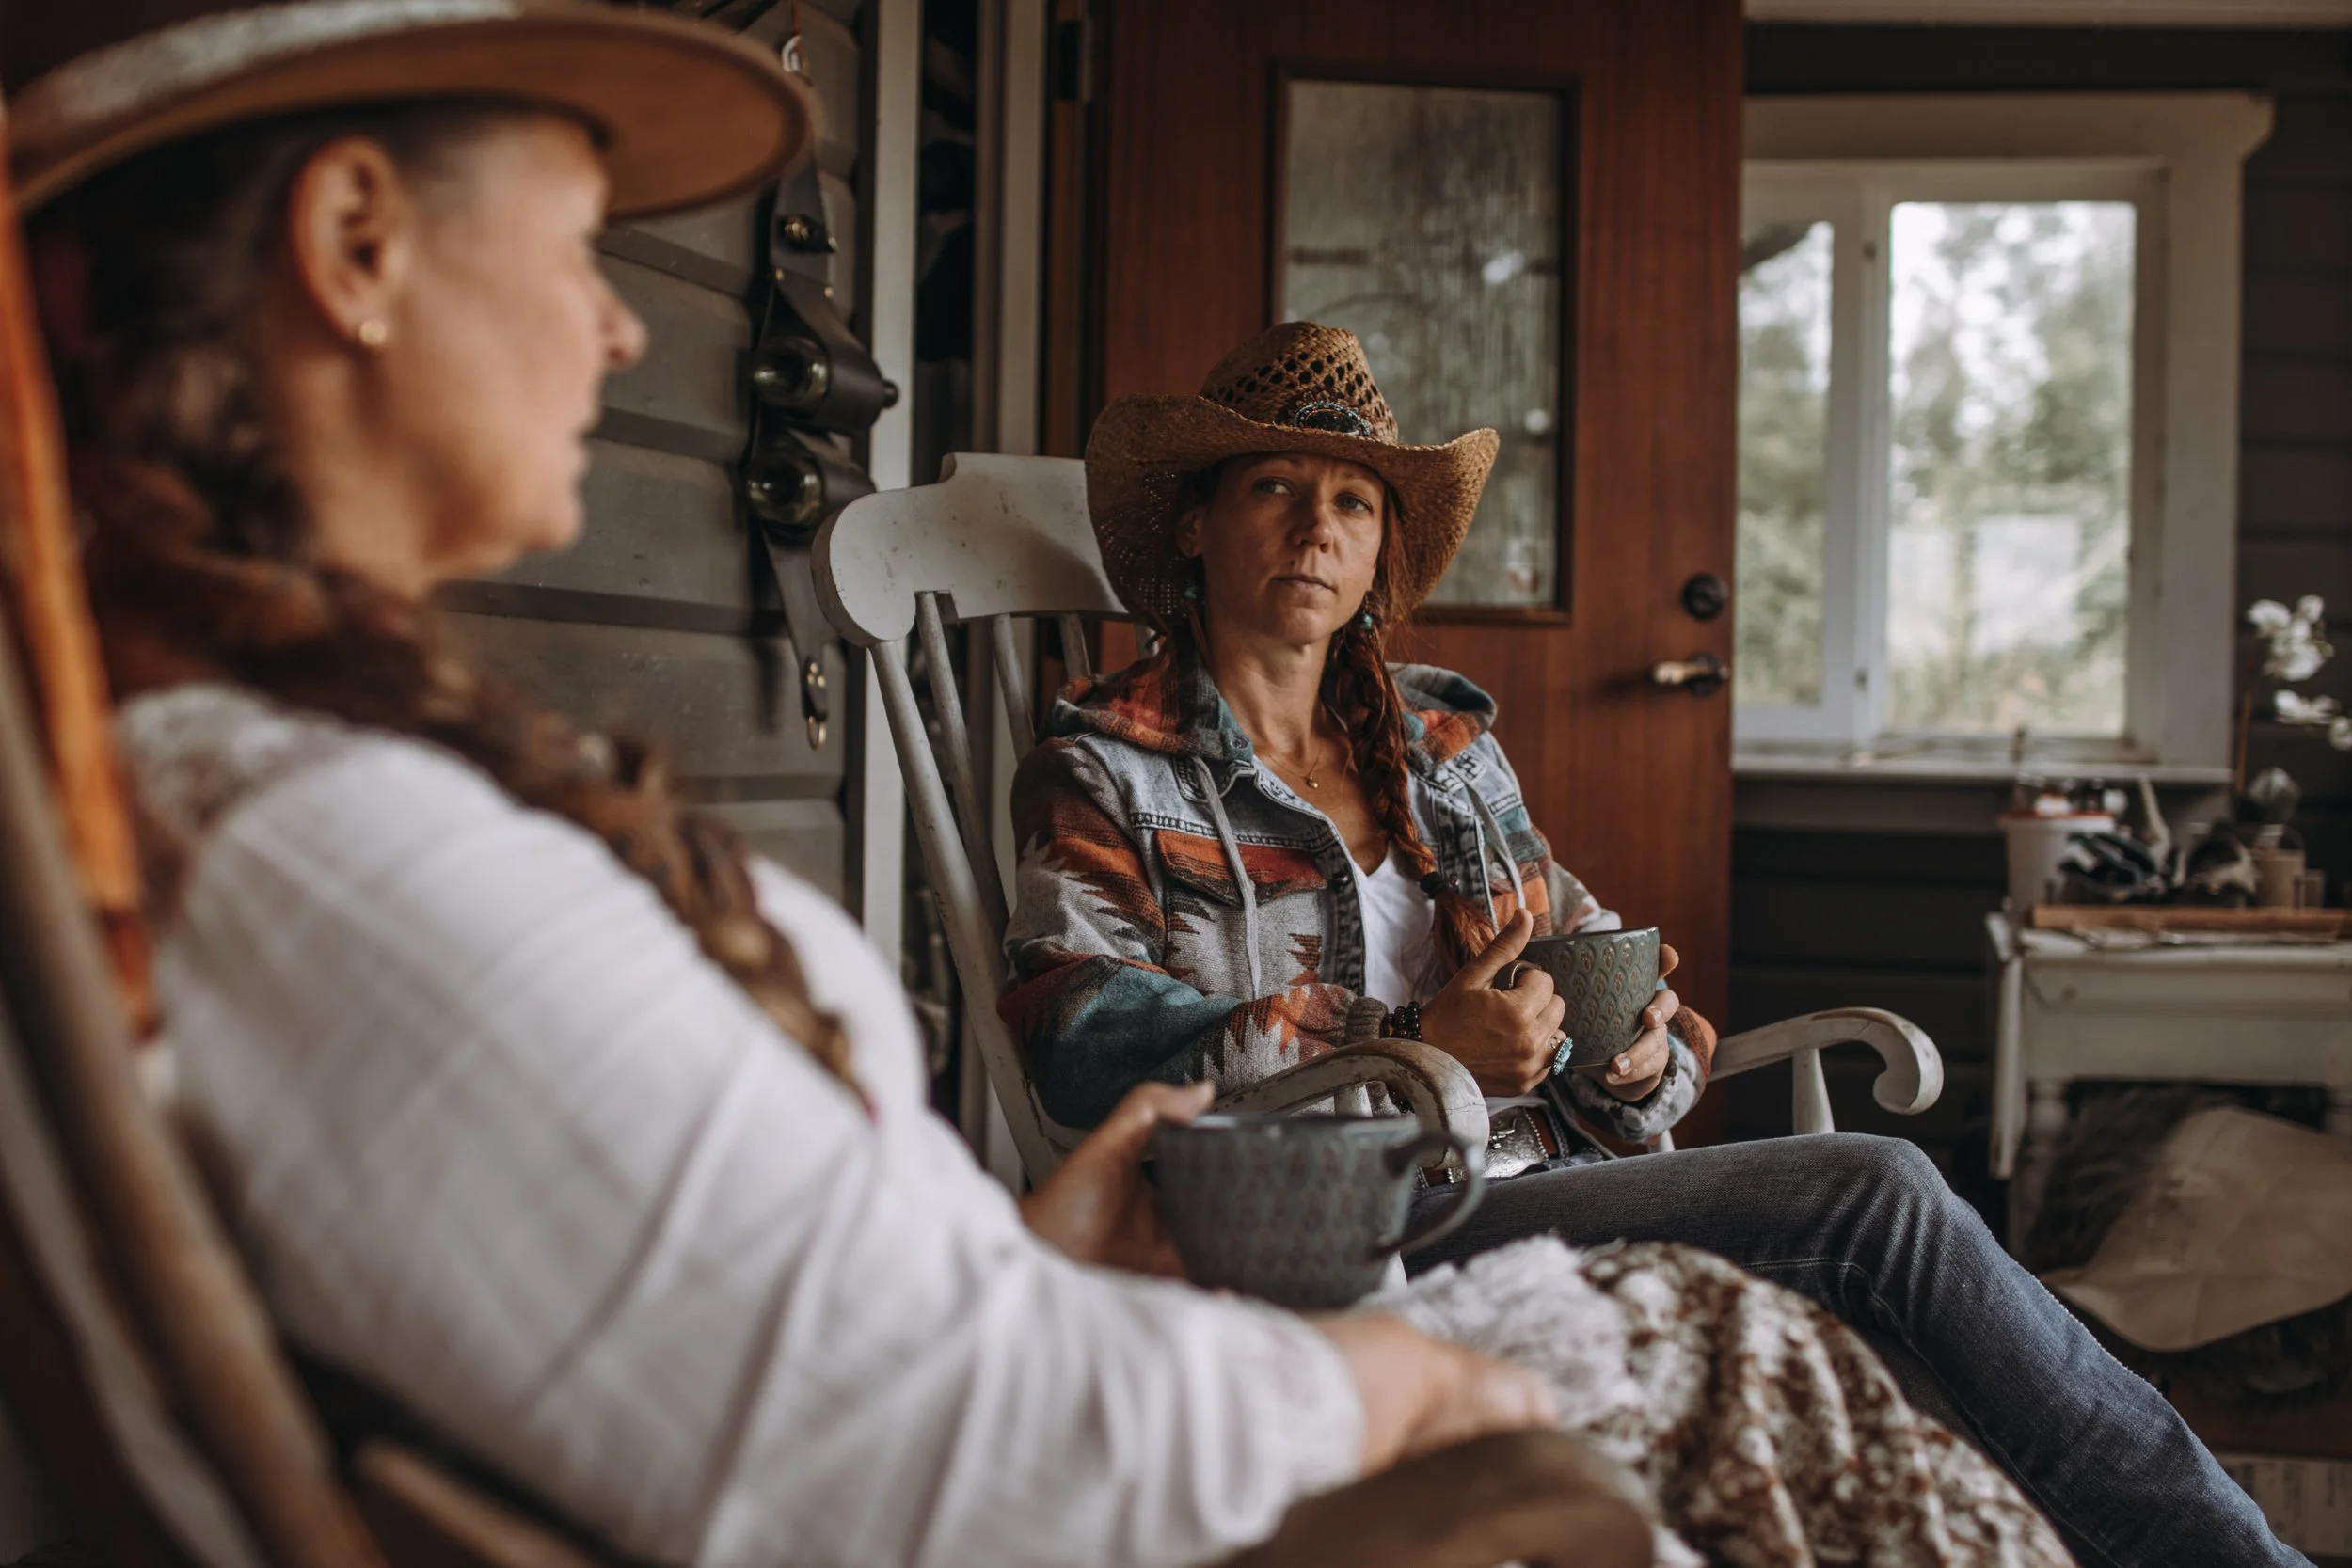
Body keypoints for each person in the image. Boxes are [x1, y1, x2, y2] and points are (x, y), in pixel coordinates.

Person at [6, 6, 2088, 1567]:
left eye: (1352, 504)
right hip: (1278, 1289)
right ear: (356, 239)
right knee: (1772, 1327)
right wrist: (1381, 1358)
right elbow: (924, 1424)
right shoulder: (339, 858)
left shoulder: (1442, 739)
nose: (623, 336)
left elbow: (806, 1310)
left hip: (1213, 1253)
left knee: (1795, 1302)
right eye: (576, 246)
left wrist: (1579, 1054)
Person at [1000, 321, 2310, 1568]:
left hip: (1537, 1176)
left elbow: (1589, 967)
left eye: (1353, 502)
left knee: (1884, 1317)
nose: (1316, 527)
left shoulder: (1444, 750)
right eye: (1275, 485)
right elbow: (1080, 1036)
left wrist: (1637, 1061)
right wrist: (1402, 1045)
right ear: (1196, 518)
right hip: (1333, 1222)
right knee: (1877, 1196)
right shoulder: (1109, 768)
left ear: (1382, 545)